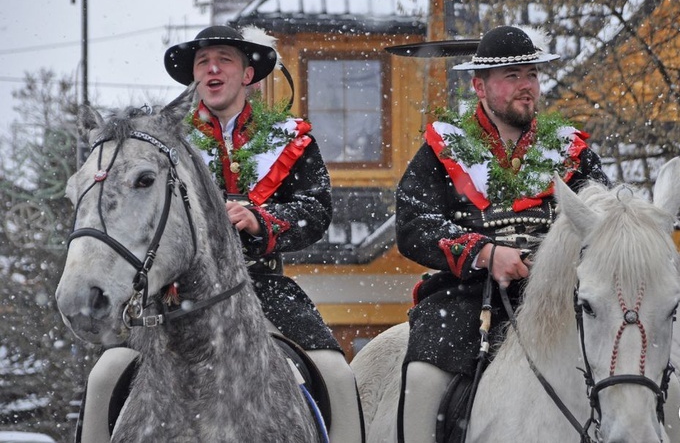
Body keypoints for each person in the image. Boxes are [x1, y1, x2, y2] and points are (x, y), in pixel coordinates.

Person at [395, 25, 611, 442]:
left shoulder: (573, 151)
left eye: (530, 74)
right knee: (422, 378)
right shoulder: (444, 147)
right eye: (511, 76)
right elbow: (413, 225)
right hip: (465, 298)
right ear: (479, 86)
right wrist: (484, 253)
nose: (526, 86)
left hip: (561, 298)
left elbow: (605, 225)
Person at [163, 25, 363, 443]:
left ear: (247, 75)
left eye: (224, 60)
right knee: (108, 374)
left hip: (264, 288)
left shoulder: (289, 139)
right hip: (175, 295)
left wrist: (260, 220)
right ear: (193, 78)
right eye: (203, 62)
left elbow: (316, 211)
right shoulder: (164, 143)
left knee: (334, 372)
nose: (212, 69)